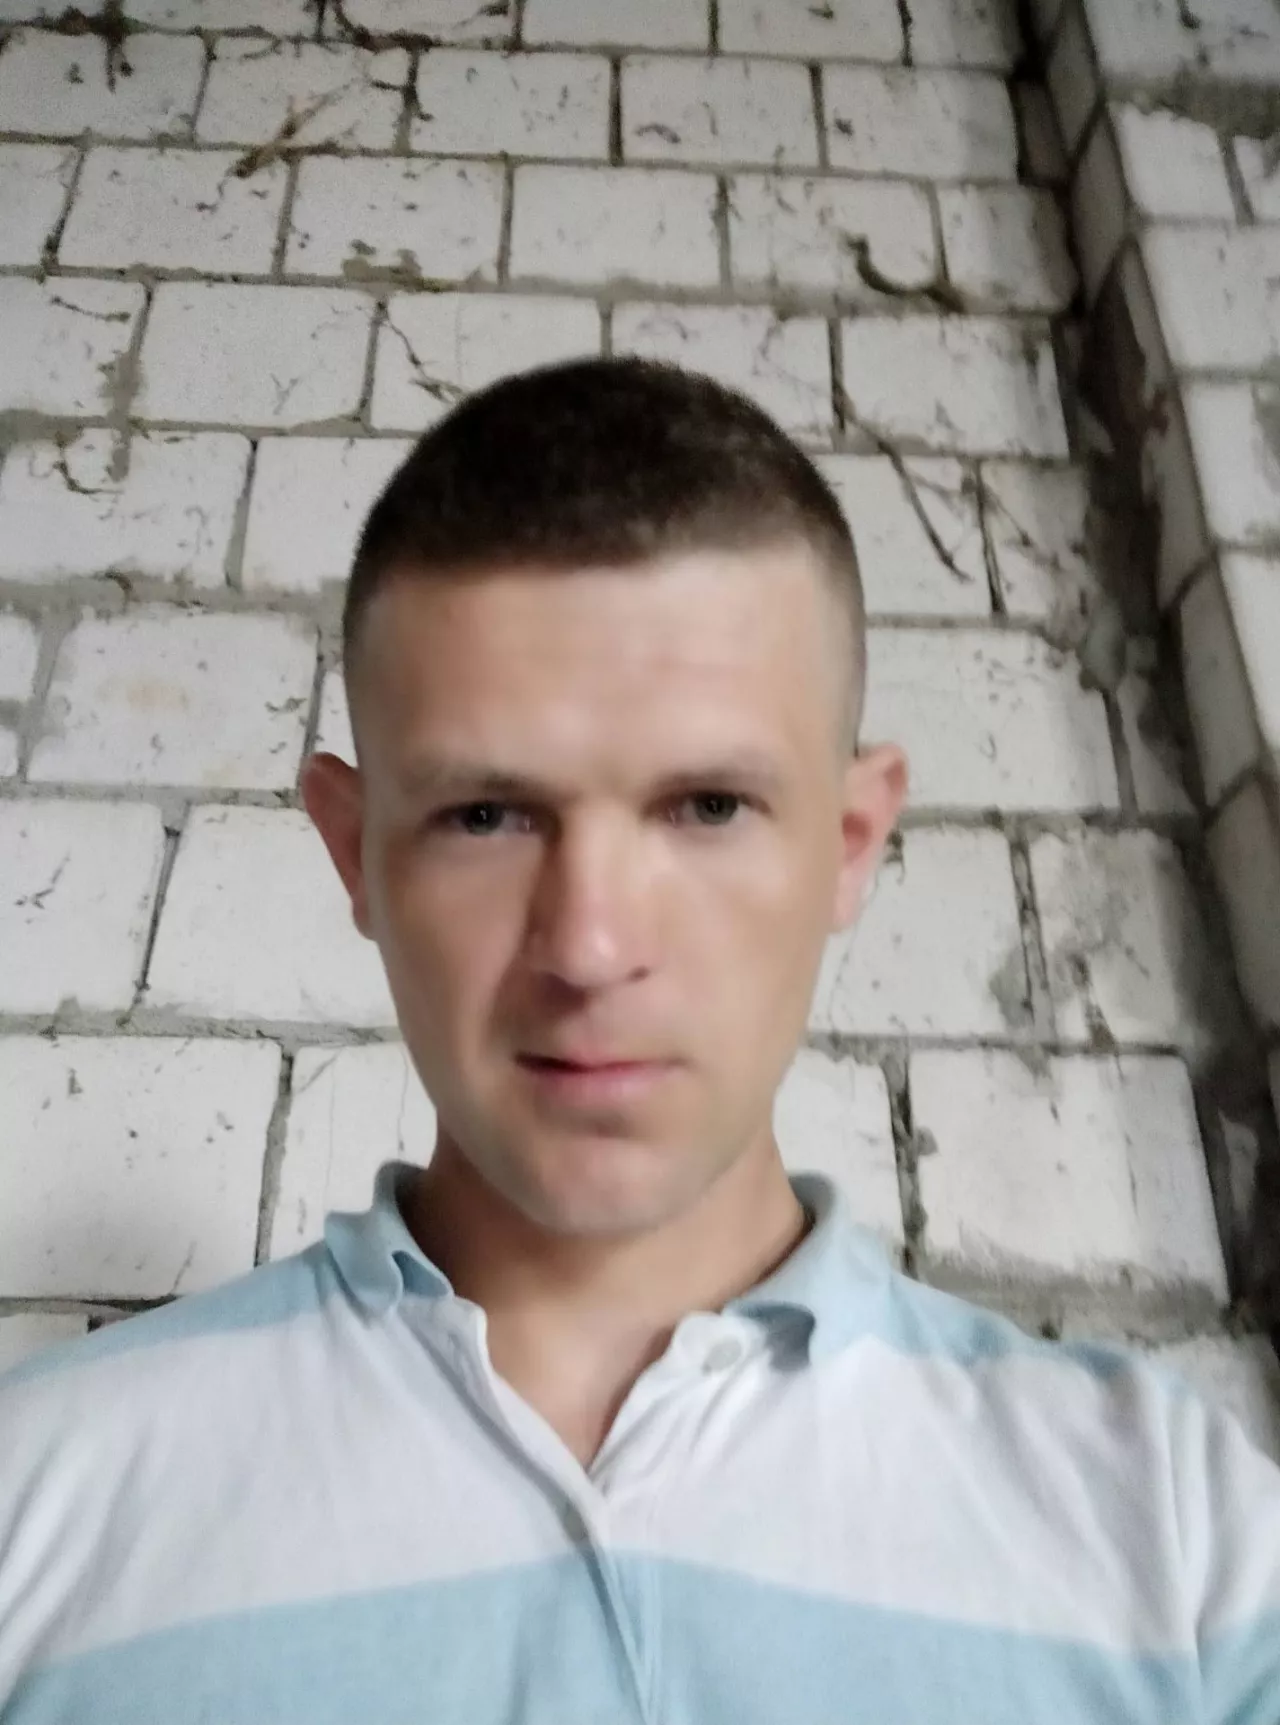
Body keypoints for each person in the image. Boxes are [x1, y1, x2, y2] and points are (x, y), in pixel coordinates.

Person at [1, 357, 1277, 1725]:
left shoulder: (1183, 1535)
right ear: (353, 852)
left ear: (851, 844)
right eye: (487, 815)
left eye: (709, 807)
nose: (592, 946)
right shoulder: (34, 1500)